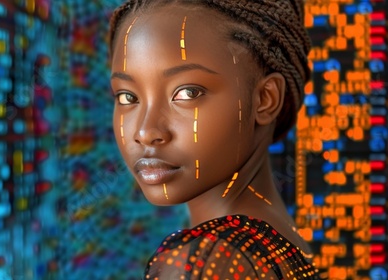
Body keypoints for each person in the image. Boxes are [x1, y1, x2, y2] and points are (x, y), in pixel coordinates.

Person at [108, 0, 321, 278]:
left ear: (265, 100)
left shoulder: (205, 262)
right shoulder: (283, 245)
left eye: (188, 93)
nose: (145, 132)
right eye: (127, 97)